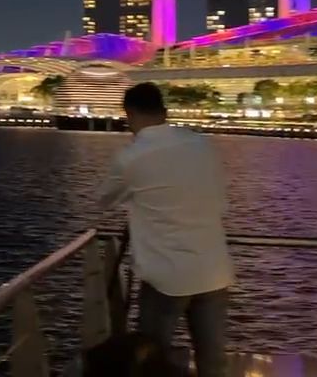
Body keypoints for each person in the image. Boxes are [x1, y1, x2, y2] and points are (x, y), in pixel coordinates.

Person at [98, 82, 232, 377]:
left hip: (166, 276)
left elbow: (104, 199)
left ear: (129, 114)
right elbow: (220, 201)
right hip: (213, 269)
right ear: (165, 112)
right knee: (213, 362)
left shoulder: (131, 158)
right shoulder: (200, 144)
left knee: (151, 361)